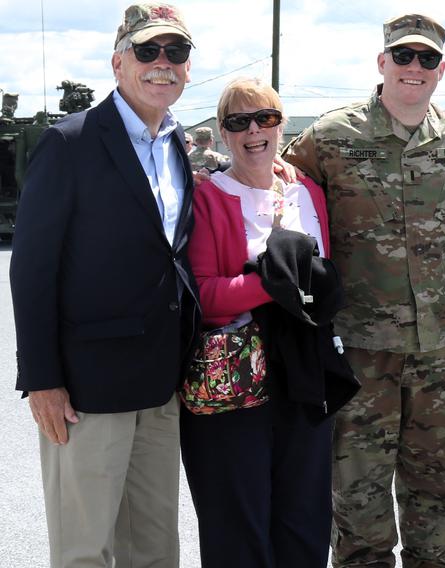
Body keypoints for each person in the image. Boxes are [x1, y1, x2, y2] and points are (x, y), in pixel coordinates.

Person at [282, 13, 445, 567]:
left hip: (439, 351)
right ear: (382, 63)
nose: (414, 68)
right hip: (360, 347)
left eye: (427, 59)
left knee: (439, 486)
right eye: (403, 56)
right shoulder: (331, 137)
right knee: (357, 491)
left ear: (440, 70)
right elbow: (276, 199)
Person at [9, 3, 201, 566]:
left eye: (176, 52)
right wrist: (42, 379)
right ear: (118, 63)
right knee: (84, 551)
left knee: (154, 547)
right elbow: (32, 268)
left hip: (159, 384)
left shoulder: (175, 144)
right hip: (86, 391)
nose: (162, 64)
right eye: (147, 51)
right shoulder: (70, 143)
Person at [181, 76, 359, 567]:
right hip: (235, 377)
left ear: (283, 127)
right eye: (239, 122)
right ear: (221, 134)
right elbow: (203, 296)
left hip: (303, 370)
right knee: (238, 522)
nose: (254, 130)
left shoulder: (307, 193)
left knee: (304, 518)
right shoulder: (207, 198)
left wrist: (299, 283)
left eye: (266, 118)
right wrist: (276, 283)